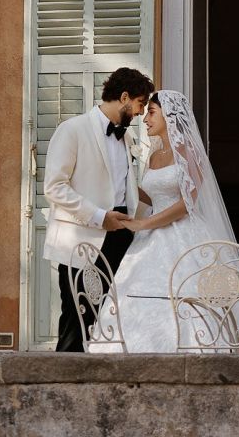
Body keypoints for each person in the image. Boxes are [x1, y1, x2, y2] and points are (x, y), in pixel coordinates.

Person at [87, 89, 239, 353]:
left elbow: (186, 204)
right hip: (148, 239)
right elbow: (147, 197)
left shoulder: (190, 154)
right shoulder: (154, 156)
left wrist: (145, 225)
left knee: (189, 295)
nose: (145, 118)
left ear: (169, 116)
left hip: (185, 236)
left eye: (151, 112)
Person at [41, 66, 154, 351]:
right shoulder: (72, 130)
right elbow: (54, 187)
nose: (141, 113)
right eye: (140, 104)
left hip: (121, 237)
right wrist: (99, 217)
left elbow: (123, 188)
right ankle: (63, 386)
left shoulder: (125, 137)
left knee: (112, 318)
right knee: (77, 318)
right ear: (125, 97)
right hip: (82, 238)